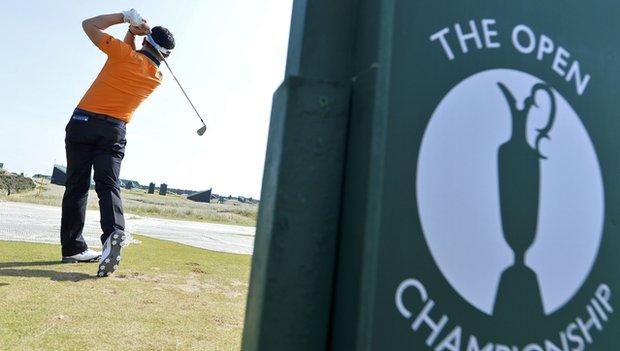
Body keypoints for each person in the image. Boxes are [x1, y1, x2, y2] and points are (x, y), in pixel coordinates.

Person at [60, 9, 175, 277]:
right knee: (108, 185)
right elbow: (133, 55)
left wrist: (125, 18)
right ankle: (114, 233)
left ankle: (72, 248)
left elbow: (88, 24)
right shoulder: (156, 78)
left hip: (82, 122)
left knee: (76, 186)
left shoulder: (122, 54)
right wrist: (134, 34)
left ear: (146, 41)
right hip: (113, 130)